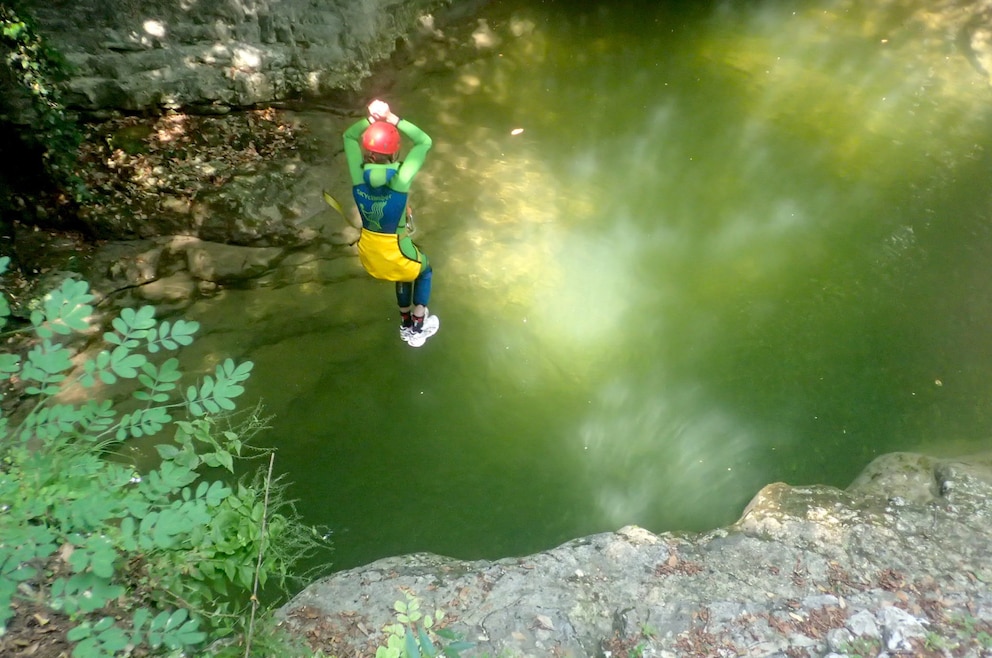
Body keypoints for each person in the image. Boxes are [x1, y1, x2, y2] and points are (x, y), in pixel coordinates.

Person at [343, 99, 439, 346]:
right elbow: (424, 142)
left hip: (369, 253)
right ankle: (418, 325)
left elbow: (348, 137)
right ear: (394, 152)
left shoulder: (358, 177)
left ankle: (405, 320)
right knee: (424, 271)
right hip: (395, 248)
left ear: (368, 151)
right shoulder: (400, 180)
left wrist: (372, 119)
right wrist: (391, 117)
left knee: (401, 270)